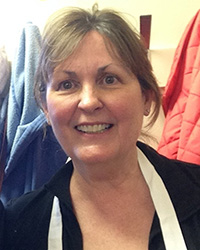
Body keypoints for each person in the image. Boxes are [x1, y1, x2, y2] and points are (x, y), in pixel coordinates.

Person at [3, 4, 200, 250]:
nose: (88, 102)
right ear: (45, 108)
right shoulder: (18, 226)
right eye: (67, 84)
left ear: (147, 98)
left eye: (109, 80)